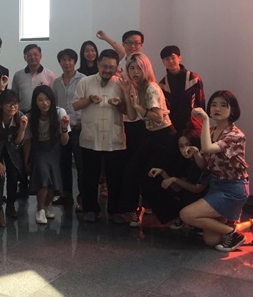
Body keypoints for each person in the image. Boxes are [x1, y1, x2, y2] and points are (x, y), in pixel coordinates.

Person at [180, 91, 253, 251]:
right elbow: (204, 165)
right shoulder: (211, 131)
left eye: (223, 105)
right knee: (211, 240)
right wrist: (195, 152)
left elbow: (208, 147)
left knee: (186, 214)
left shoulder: (236, 135)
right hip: (216, 186)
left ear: (232, 109)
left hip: (233, 189)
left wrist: (204, 119)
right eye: (213, 105)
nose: (217, 109)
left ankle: (234, 234)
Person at [119, 52, 176, 227]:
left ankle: (172, 215)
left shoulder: (151, 87)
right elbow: (131, 115)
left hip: (164, 136)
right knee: (131, 169)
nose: (135, 72)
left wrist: (138, 106)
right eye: (131, 68)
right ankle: (135, 209)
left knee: (149, 176)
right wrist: (126, 93)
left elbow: (158, 116)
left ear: (146, 69)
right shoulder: (137, 88)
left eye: (138, 68)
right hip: (151, 135)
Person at [72, 49, 127, 223]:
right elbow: (75, 105)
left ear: (116, 67)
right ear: (98, 64)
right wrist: (89, 99)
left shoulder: (121, 84)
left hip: (114, 137)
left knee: (115, 177)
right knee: (89, 176)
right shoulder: (85, 82)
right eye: (104, 66)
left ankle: (115, 211)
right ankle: (90, 209)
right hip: (91, 136)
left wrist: (119, 105)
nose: (107, 70)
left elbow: (128, 111)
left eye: (111, 67)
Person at [23, 85, 70, 225]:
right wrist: (26, 161)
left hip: (54, 150)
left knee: (53, 181)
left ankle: (46, 206)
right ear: (35, 102)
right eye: (40, 100)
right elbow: (28, 141)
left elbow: (64, 141)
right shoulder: (30, 117)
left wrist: (64, 128)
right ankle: (40, 209)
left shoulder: (60, 112)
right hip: (38, 150)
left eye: (47, 99)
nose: (45, 103)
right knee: (43, 176)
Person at [147, 129, 209, 229]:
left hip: (206, 199)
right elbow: (178, 189)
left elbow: (198, 189)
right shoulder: (184, 162)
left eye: (188, 144)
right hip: (190, 198)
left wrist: (174, 179)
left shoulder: (203, 159)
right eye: (181, 146)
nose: (185, 149)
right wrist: (163, 173)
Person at [52, 49, 85, 208]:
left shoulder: (83, 80)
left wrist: (83, 121)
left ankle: (82, 198)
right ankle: (66, 194)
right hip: (63, 128)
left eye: (70, 60)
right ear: (60, 62)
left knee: (81, 164)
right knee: (63, 163)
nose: (67, 63)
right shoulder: (56, 82)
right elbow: (54, 104)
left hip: (78, 127)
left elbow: (87, 103)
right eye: (63, 60)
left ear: (75, 61)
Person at [0, 90, 28, 222]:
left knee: (13, 174)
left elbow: (18, 144)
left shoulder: (20, 117)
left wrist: (22, 129)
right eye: (8, 103)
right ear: (1, 104)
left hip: (12, 148)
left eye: (15, 104)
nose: (12, 107)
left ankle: (10, 205)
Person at [159, 45, 206, 134]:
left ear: (179, 58)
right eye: (167, 59)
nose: (170, 61)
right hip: (173, 128)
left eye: (173, 57)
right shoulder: (162, 85)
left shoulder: (194, 79)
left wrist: (203, 125)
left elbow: (201, 103)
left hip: (193, 126)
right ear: (163, 62)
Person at [11, 44, 57, 114]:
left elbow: (54, 97)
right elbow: (14, 96)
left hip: (43, 114)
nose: (32, 57)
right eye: (29, 55)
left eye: (35, 54)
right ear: (25, 57)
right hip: (23, 114)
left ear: (40, 56)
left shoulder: (50, 75)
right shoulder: (18, 75)